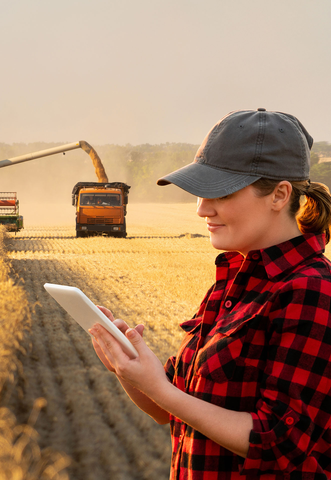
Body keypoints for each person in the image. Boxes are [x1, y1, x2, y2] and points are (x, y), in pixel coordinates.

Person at [90, 108, 331, 480]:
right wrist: (130, 369)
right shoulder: (233, 280)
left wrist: (160, 388)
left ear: (279, 195)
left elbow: (278, 443)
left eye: (221, 191)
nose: (202, 208)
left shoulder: (312, 290)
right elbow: (174, 410)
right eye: (200, 192)